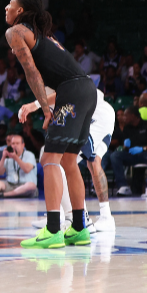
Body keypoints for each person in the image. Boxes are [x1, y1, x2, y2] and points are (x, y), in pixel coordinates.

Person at [5, 0, 96, 249]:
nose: (6, 8)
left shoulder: (16, 32)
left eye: (10, 4)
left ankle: (53, 229)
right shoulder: (45, 37)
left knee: (48, 158)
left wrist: (45, 109)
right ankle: (79, 228)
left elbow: (32, 73)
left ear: (20, 10)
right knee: (68, 160)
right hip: (87, 90)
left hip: (70, 92)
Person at [25, 87, 117, 233]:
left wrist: (34, 105)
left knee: (58, 159)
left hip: (95, 113)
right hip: (96, 112)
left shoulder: (51, 73)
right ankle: (104, 216)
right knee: (93, 162)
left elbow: (64, 94)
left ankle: (79, 218)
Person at [110, 103, 147, 198]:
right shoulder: (127, 128)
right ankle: (123, 186)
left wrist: (143, 148)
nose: (124, 118)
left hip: (146, 154)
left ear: (133, 116)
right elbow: (126, 148)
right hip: (132, 155)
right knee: (115, 155)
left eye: (126, 115)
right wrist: (125, 146)